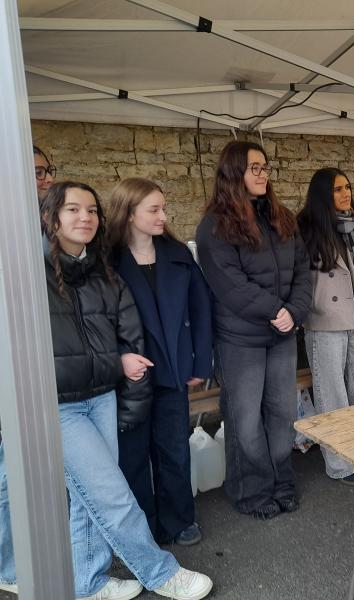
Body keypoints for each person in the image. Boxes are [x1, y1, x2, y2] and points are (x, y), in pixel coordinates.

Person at [0, 182, 212, 599]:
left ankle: (89, 581)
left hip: (101, 395)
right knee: (111, 493)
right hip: (58, 404)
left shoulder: (101, 269)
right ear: (50, 217)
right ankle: (160, 572)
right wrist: (119, 362)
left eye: (92, 210)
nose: (85, 217)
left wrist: (123, 363)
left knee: (88, 498)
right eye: (73, 209)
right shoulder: (26, 271)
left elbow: (122, 330)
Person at [197, 141, 311, 519]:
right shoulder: (215, 226)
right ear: (234, 173)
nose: (263, 174)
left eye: (265, 167)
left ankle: (282, 482)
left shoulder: (283, 218)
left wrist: (294, 311)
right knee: (244, 420)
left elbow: (302, 271)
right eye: (254, 168)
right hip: (240, 339)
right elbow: (230, 284)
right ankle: (251, 490)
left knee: (282, 414)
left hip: (282, 334)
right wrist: (275, 309)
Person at [105, 177, 213, 546]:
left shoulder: (178, 254)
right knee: (133, 457)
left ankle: (179, 520)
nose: (163, 216)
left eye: (163, 208)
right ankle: (142, 529)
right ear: (128, 213)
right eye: (154, 209)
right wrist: (118, 359)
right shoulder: (107, 262)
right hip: (128, 378)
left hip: (173, 370)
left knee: (174, 450)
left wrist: (200, 364)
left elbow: (201, 311)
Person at [297, 168, 354, 486]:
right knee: (332, 394)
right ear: (323, 194)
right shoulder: (306, 229)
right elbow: (299, 279)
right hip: (325, 323)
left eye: (347, 187)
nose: (345, 193)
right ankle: (339, 464)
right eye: (337, 189)